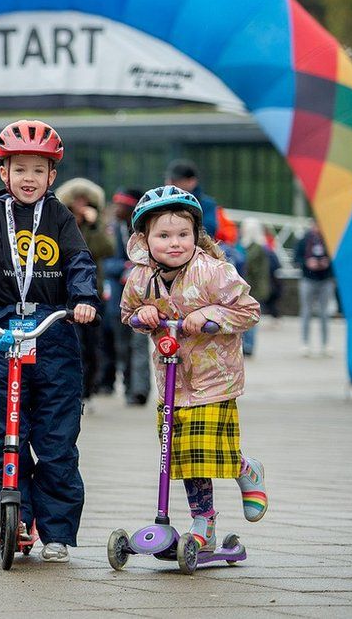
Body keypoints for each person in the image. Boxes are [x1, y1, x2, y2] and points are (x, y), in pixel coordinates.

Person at [0, 119, 99, 563]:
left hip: (52, 333)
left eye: (38, 169)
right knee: (4, 434)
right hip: (3, 331)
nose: (28, 178)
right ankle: (12, 521)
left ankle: (56, 530)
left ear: (52, 176)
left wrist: (83, 298)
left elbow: (79, 261)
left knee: (56, 439)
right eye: (19, 169)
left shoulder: (59, 215)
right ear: (4, 173)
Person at [120, 185, 268, 551]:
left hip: (215, 377)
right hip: (173, 380)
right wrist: (143, 314)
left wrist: (210, 315)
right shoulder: (141, 278)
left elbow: (249, 310)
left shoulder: (214, 272)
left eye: (183, 234)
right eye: (164, 235)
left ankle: (244, 469)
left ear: (196, 235)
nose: (175, 243)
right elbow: (127, 314)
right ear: (144, 238)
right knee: (182, 457)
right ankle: (205, 522)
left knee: (209, 449)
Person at [55, 178, 114, 403]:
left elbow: (107, 248)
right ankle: (72, 389)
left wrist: (94, 225)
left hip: (92, 291)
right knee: (71, 344)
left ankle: (88, 388)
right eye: (77, 200)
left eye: (85, 200)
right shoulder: (60, 223)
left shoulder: (96, 224)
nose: (81, 204)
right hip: (64, 292)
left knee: (92, 344)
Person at [101, 188, 152, 405]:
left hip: (143, 299)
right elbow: (105, 262)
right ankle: (129, 386)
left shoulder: (146, 231)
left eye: (122, 204)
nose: (117, 208)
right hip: (119, 301)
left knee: (139, 343)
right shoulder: (114, 230)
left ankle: (140, 389)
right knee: (123, 346)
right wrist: (124, 268)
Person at [294, 220, 336, 357]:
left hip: (325, 279)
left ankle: (326, 343)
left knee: (324, 312)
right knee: (306, 311)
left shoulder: (329, 239)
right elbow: (296, 258)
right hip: (308, 278)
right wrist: (307, 263)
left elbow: (336, 258)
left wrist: (327, 262)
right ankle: (305, 343)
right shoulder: (304, 240)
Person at [238, 217, 271, 357]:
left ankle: (249, 345)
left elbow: (250, 265)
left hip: (254, 288)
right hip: (251, 286)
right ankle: (246, 344)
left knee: (251, 317)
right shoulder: (250, 246)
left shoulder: (257, 248)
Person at [165, 159, 218, 238]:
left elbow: (209, 230)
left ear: (192, 181)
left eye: (176, 180)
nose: (170, 184)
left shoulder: (206, 204)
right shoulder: (162, 201)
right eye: (170, 180)